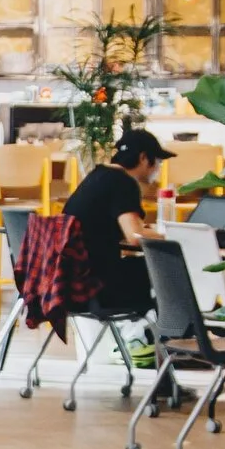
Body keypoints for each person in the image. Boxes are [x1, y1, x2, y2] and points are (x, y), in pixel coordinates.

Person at [63, 128, 171, 314]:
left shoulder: (98, 176)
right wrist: (174, 235)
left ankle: (154, 332)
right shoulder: (123, 182)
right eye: (158, 162)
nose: (157, 169)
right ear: (144, 158)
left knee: (142, 267)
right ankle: (175, 332)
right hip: (93, 286)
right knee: (165, 267)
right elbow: (135, 236)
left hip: (67, 281)